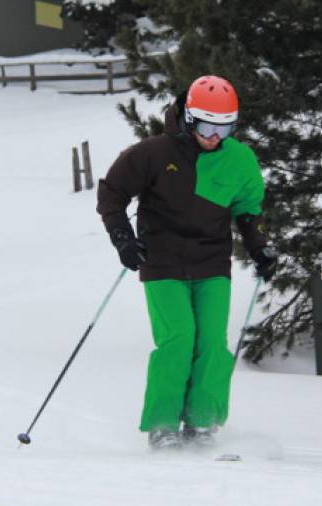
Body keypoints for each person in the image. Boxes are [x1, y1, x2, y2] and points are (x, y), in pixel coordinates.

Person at [96, 75, 277, 450]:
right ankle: (162, 425)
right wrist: (123, 239)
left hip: (211, 263)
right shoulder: (153, 153)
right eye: (208, 126)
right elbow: (112, 193)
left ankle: (202, 422)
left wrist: (259, 247)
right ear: (190, 118)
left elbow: (248, 210)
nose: (215, 136)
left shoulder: (239, 159)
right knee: (178, 339)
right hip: (161, 261)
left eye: (225, 127)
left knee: (212, 342)